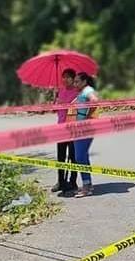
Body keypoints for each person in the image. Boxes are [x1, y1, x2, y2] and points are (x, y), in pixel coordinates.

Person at [70, 72, 99, 198]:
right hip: (79, 127)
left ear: (84, 81)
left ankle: (86, 187)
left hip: (85, 127)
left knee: (80, 156)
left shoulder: (87, 90)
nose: (75, 83)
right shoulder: (82, 92)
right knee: (82, 156)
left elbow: (95, 101)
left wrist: (87, 117)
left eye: (77, 81)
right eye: (74, 81)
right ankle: (87, 184)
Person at [51, 68, 79, 196]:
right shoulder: (60, 91)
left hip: (73, 128)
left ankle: (73, 182)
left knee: (73, 157)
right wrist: (55, 100)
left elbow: (74, 107)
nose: (65, 79)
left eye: (68, 77)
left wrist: (63, 103)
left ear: (73, 79)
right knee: (61, 156)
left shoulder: (78, 92)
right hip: (61, 128)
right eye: (63, 77)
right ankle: (61, 181)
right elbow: (57, 110)